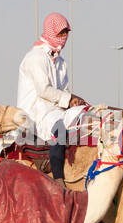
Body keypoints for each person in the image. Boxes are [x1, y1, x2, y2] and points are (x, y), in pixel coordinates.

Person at [16, 12, 91, 183]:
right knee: (61, 130)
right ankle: (59, 180)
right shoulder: (35, 58)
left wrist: (74, 101)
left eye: (66, 33)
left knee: (85, 120)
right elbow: (43, 90)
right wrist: (68, 98)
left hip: (55, 108)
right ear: (51, 32)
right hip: (36, 110)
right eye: (60, 33)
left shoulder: (60, 61)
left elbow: (63, 90)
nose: (64, 37)